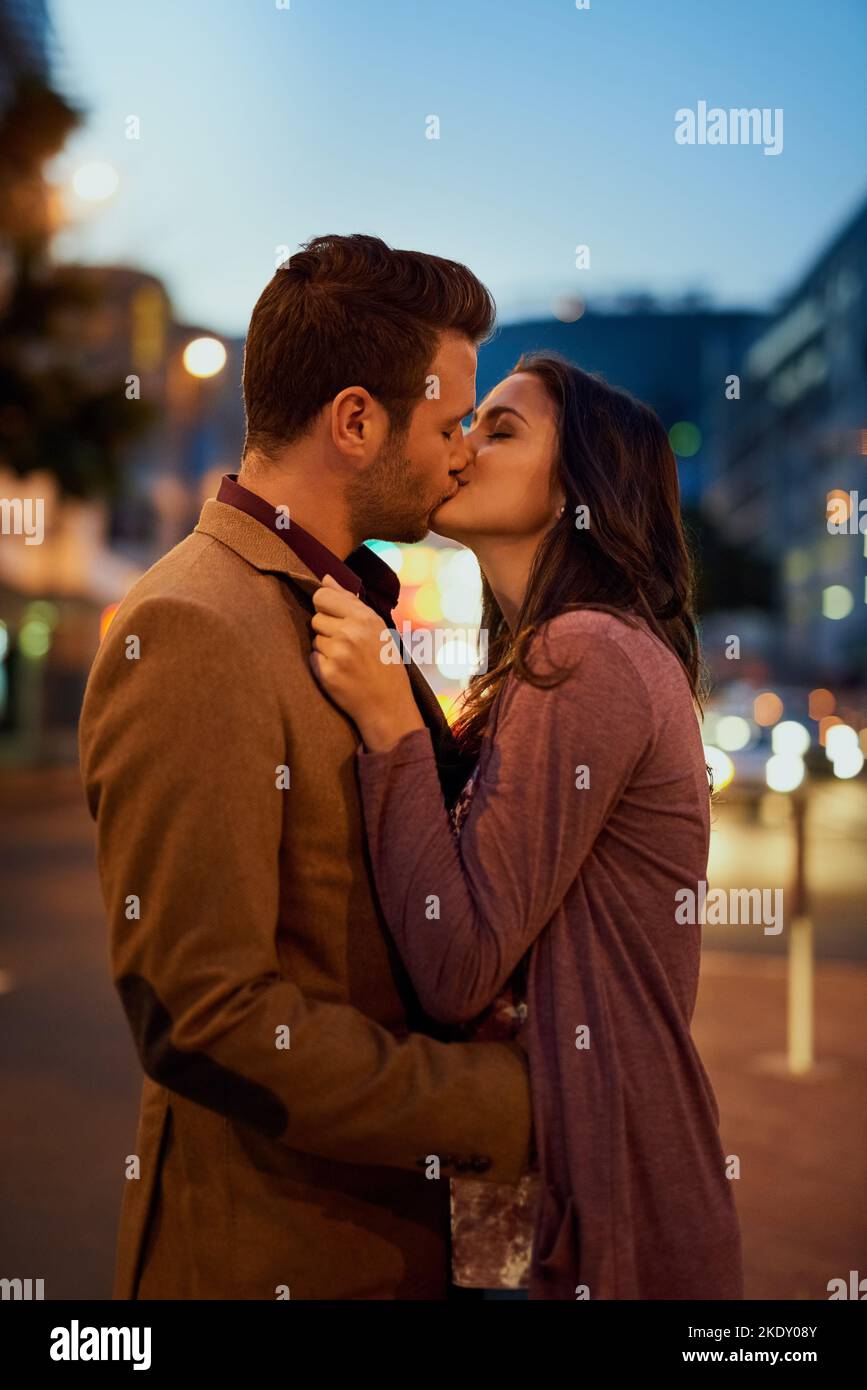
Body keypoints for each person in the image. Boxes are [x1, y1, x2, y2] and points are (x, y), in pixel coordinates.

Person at [78, 234, 535, 1301]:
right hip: (275, 1254)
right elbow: (206, 1013)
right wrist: (505, 1102)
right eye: (447, 423)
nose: (462, 453)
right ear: (356, 421)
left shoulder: (329, 600)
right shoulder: (196, 624)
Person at [309, 353, 745, 1300]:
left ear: (580, 491)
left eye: (501, 430)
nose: (463, 448)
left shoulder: (583, 651)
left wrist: (388, 723)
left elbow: (459, 964)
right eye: (470, 423)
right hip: (582, 1173)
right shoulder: (553, 659)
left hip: (601, 1198)